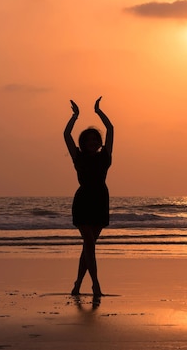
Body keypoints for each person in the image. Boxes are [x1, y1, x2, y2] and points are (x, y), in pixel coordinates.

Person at [64, 97, 114, 298]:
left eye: (95, 139)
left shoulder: (105, 156)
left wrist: (98, 112)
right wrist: (74, 116)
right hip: (83, 201)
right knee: (90, 244)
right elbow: (66, 134)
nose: (92, 142)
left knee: (88, 246)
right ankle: (96, 285)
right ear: (83, 143)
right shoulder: (78, 156)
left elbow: (110, 129)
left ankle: (77, 285)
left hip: (100, 200)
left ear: (99, 142)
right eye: (88, 140)